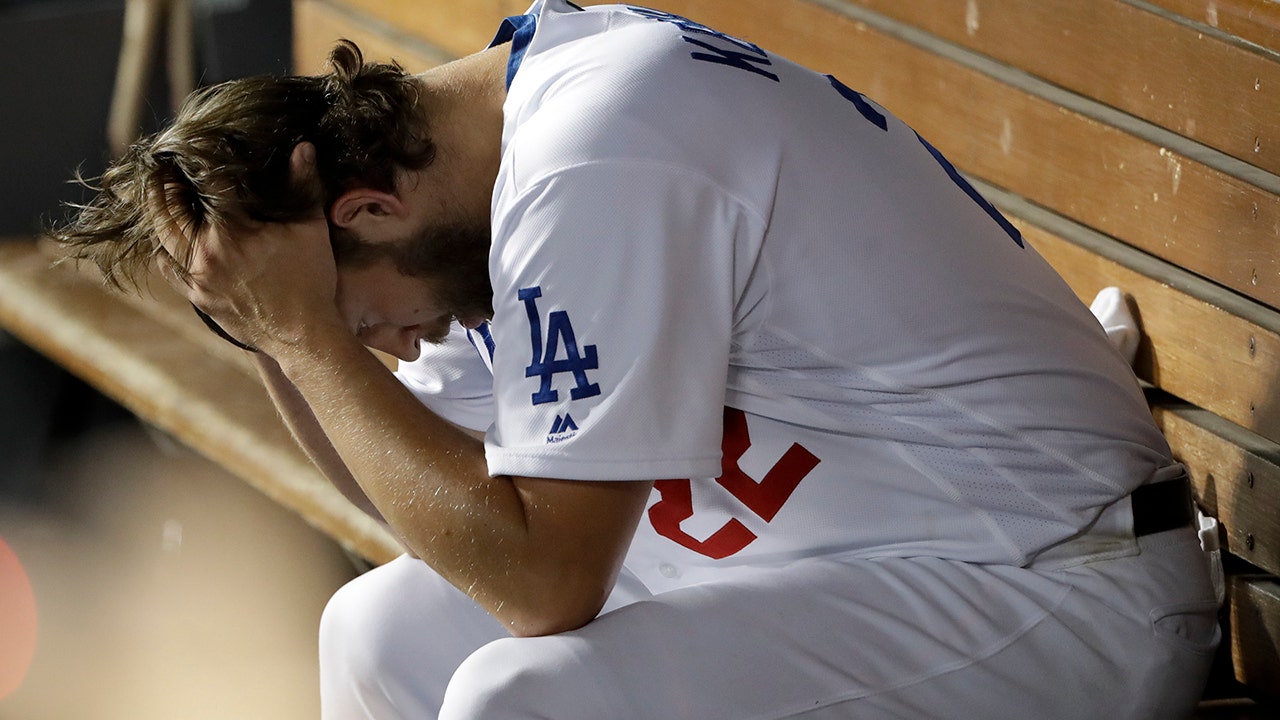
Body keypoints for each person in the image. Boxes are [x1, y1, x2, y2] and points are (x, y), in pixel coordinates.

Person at [55, 2, 1221, 718]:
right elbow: (422, 503)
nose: (395, 352)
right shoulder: (488, 171)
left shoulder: (592, 161)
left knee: (524, 701)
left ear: (360, 210)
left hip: (1050, 587)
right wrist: (281, 329)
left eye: (365, 321)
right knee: (374, 633)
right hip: (862, 565)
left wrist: (307, 332)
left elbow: (542, 584)